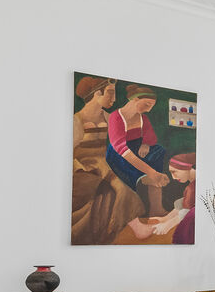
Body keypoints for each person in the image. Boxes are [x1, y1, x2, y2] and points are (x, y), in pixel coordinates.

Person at [72, 76, 145, 244]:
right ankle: (137, 228)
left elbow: (120, 143)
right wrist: (80, 169)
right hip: (82, 169)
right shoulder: (77, 120)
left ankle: (122, 229)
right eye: (110, 93)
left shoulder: (108, 117)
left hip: (103, 166)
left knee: (121, 186)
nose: (114, 99)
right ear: (97, 93)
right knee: (118, 189)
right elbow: (70, 154)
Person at [106, 84, 169, 215]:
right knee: (128, 163)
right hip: (120, 152)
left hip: (138, 148)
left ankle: (156, 207)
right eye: (147, 104)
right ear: (135, 99)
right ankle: (146, 177)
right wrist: (151, 172)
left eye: (151, 106)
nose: (149, 110)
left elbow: (150, 136)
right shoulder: (116, 117)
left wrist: (145, 144)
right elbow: (121, 148)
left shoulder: (143, 118)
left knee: (158, 151)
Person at [128, 153, 196, 243]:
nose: (173, 177)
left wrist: (168, 225)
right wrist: (166, 219)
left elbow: (187, 211)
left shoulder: (194, 187)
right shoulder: (192, 185)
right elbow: (184, 203)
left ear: (186, 168)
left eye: (174, 172)